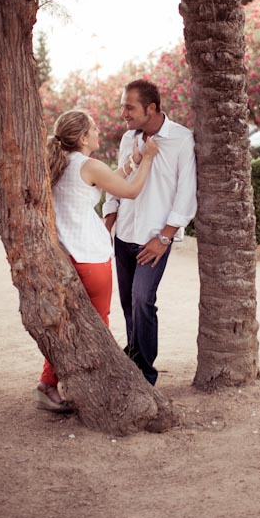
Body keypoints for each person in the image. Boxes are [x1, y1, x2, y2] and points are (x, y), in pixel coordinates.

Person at [35, 109, 158, 412]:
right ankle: (99, 388)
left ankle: (47, 383)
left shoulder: (59, 163)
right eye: (93, 128)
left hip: (67, 255)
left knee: (68, 325)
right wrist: (151, 158)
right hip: (90, 257)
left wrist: (135, 160)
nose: (98, 131)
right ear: (82, 137)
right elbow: (128, 190)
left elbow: (110, 180)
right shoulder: (88, 165)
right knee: (97, 326)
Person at [103, 80, 197, 386]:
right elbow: (115, 183)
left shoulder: (182, 140)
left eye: (129, 107)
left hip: (154, 238)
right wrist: (108, 221)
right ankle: (133, 359)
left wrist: (164, 238)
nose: (124, 113)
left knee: (143, 299)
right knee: (128, 303)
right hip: (124, 235)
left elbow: (185, 195)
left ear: (151, 108)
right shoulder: (128, 139)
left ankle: (145, 374)